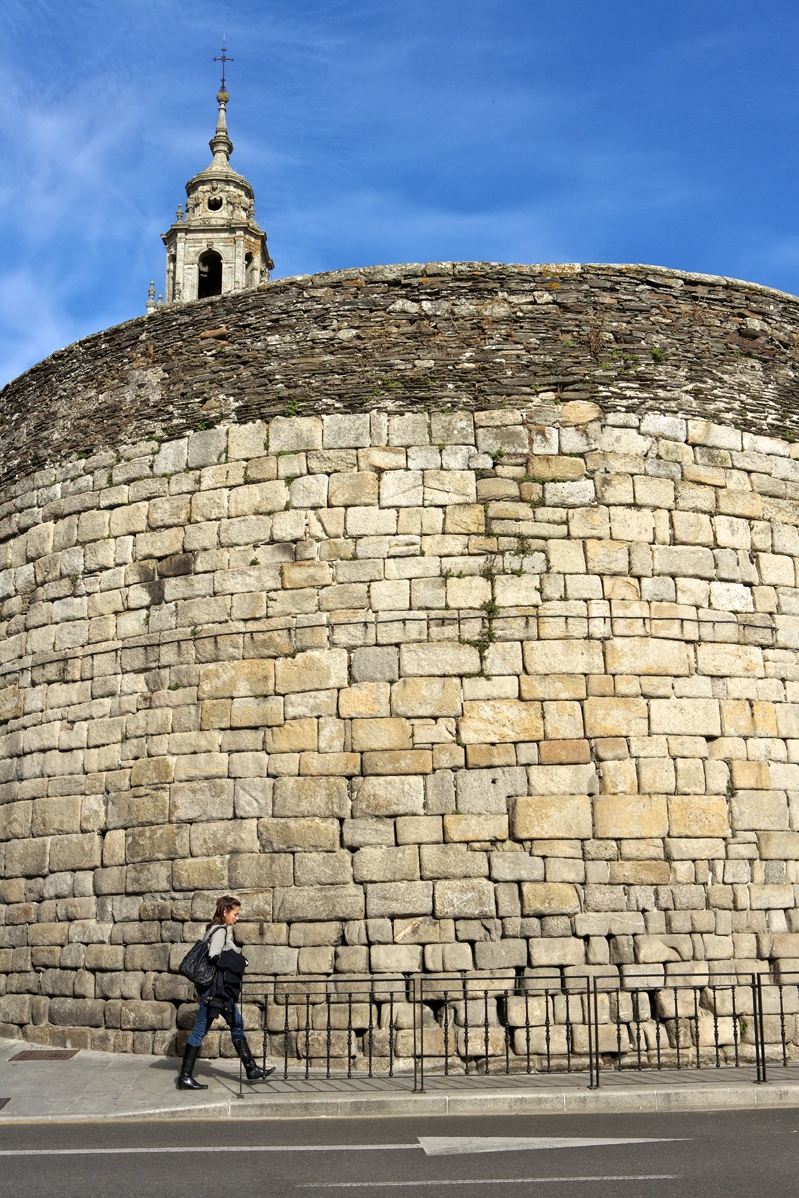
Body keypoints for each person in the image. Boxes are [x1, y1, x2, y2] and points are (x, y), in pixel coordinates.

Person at [176, 894, 275, 1090]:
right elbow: (213, 957)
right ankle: (185, 1077)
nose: (237, 918)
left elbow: (209, 962)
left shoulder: (213, 930)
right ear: (225, 912)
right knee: (200, 1030)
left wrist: (239, 959)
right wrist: (239, 961)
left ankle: (251, 1068)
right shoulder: (219, 931)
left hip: (218, 992)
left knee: (236, 1022)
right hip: (215, 993)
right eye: (235, 914)